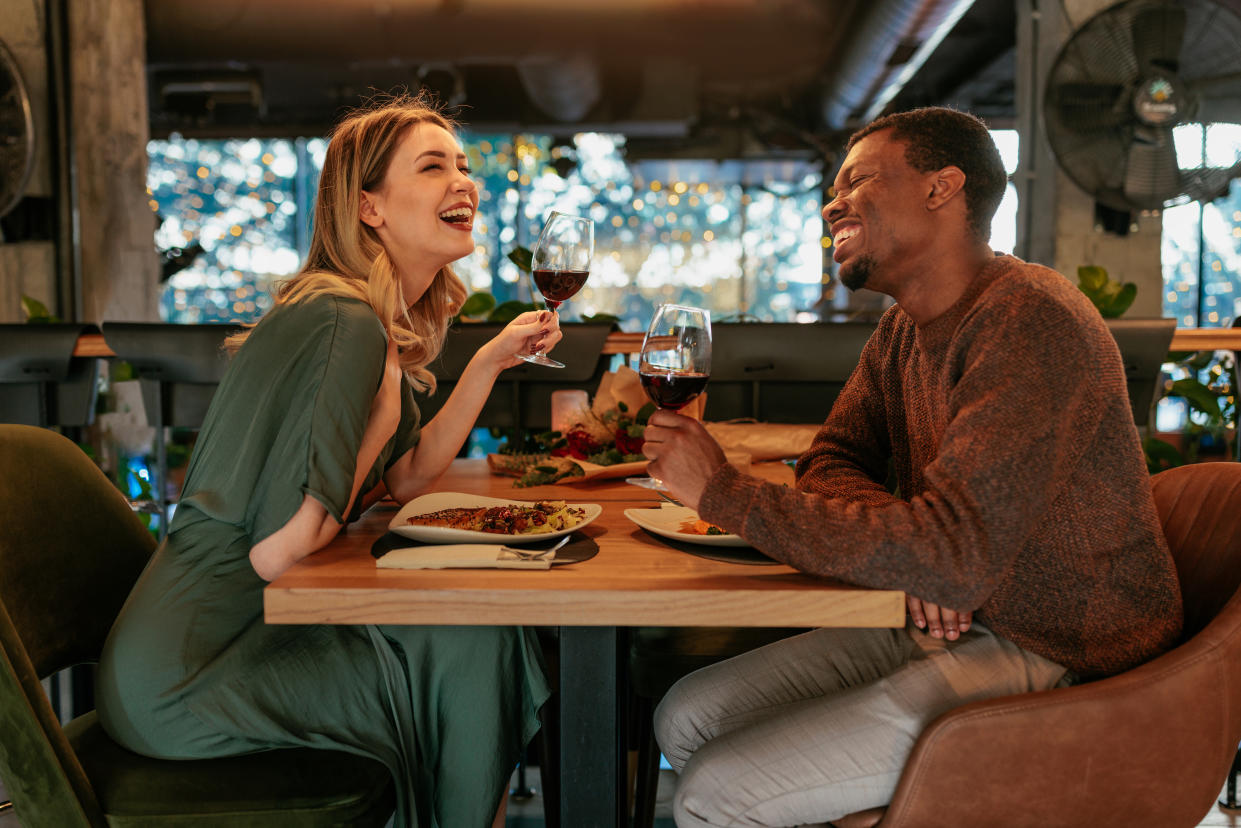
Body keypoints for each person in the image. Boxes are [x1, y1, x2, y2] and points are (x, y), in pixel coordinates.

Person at [641, 107, 1183, 827]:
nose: (831, 202)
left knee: (716, 794)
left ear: (941, 189)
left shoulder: (1028, 321)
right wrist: (920, 554)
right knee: (684, 718)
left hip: (1063, 652)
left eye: (857, 180)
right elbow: (835, 458)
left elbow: (951, 557)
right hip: (964, 615)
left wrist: (720, 490)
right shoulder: (904, 327)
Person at [97, 94, 559, 828]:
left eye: (464, 165)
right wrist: (377, 420)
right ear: (369, 207)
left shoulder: (353, 316)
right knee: (472, 642)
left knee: (472, 633)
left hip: (216, 645)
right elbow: (282, 552)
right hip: (189, 679)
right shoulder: (343, 322)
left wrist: (490, 364)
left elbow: (402, 479)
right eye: (433, 165)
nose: (463, 182)